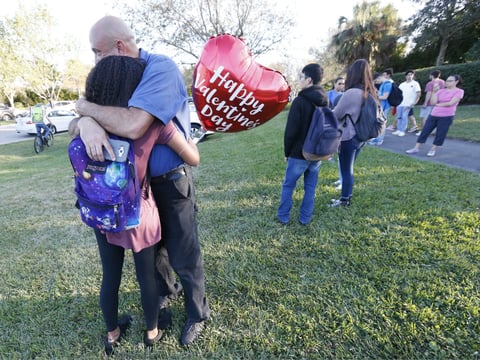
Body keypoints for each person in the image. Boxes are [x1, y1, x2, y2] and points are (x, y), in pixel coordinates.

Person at [74, 15, 210, 346]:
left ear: (119, 47)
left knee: (183, 252)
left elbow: (134, 125)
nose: (95, 61)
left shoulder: (159, 68)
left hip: (169, 180)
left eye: (97, 52)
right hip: (138, 191)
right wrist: (85, 120)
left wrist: (85, 110)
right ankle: (164, 297)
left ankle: (197, 313)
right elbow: (101, 119)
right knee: (155, 256)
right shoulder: (120, 76)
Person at [277, 63, 328, 225]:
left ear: (309, 80)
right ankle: (305, 218)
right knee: (310, 188)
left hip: (299, 153)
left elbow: (291, 131)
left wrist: (287, 152)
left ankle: (283, 217)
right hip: (317, 152)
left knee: (288, 186)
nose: (299, 80)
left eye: (301, 77)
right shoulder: (326, 99)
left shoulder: (300, 101)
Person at [329, 59, 379, 207]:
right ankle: (346, 196)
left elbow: (336, 114)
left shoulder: (351, 93)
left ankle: (345, 200)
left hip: (348, 137)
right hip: (361, 137)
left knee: (346, 170)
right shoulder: (370, 92)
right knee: (348, 168)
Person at [406, 74, 463, 157]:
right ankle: (416, 148)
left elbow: (451, 103)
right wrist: (434, 92)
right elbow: (433, 102)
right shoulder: (441, 91)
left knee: (440, 133)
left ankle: (433, 149)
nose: (447, 82)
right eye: (447, 80)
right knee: (425, 131)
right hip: (434, 114)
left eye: (450, 81)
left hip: (447, 116)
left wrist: (438, 104)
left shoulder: (459, 91)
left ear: (456, 82)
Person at [416, 70, 445, 135]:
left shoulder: (430, 83)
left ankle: (424, 131)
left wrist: (425, 103)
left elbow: (429, 93)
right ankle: (433, 130)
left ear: (431, 76)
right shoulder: (443, 82)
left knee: (424, 117)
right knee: (435, 117)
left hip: (430, 102)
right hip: (438, 102)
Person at [392, 70, 421, 137]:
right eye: (408, 75)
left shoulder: (415, 84)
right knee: (399, 117)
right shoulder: (402, 84)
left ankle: (402, 131)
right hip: (400, 104)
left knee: (404, 117)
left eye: (411, 74)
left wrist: (414, 102)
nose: (409, 76)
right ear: (406, 76)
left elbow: (418, 94)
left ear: (413, 76)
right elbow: (398, 93)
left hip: (408, 104)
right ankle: (399, 130)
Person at [368, 72, 392, 146]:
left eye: (376, 81)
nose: (376, 83)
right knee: (377, 122)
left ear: (379, 78)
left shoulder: (387, 84)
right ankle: (376, 138)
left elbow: (385, 97)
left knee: (381, 123)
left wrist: (374, 97)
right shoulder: (383, 84)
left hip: (384, 107)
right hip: (381, 106)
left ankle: (379, 140)